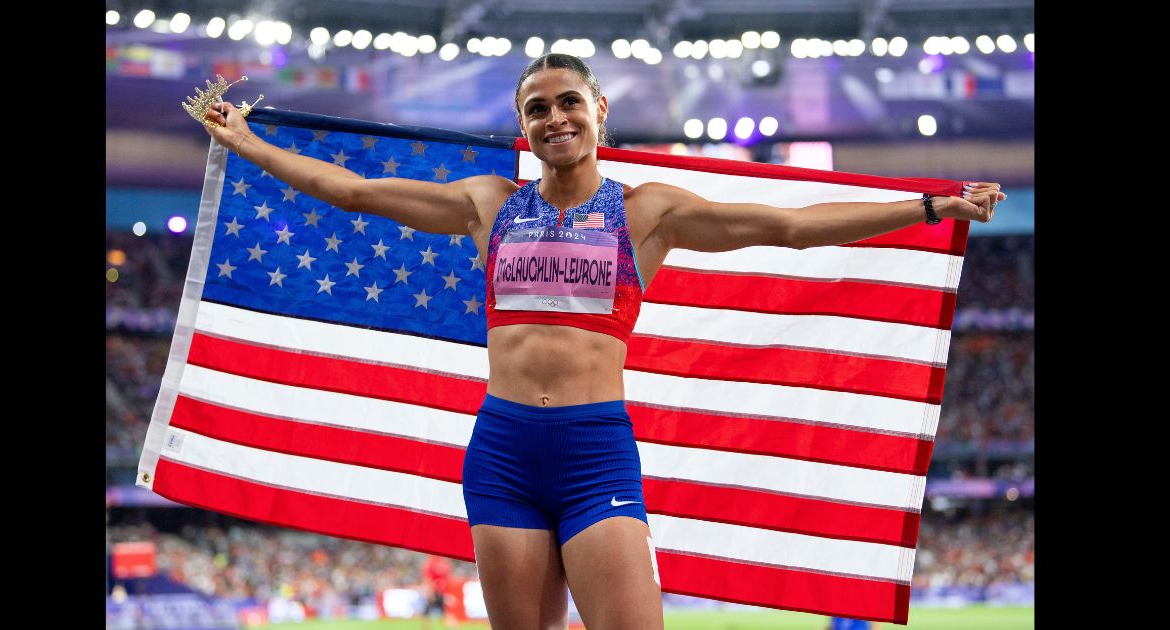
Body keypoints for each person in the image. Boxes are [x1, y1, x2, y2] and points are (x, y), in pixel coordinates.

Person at [203, 52, 1004, 630]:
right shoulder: (488, 202)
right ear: (521, 125)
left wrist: (929, 208)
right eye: (537, 108)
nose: (555, 118)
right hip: (503, 451)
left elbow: (792, 227)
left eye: (568, 103)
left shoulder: (646, 212)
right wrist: (250, 144)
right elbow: (353, 192)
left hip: (594, 454)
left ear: (599, 112)